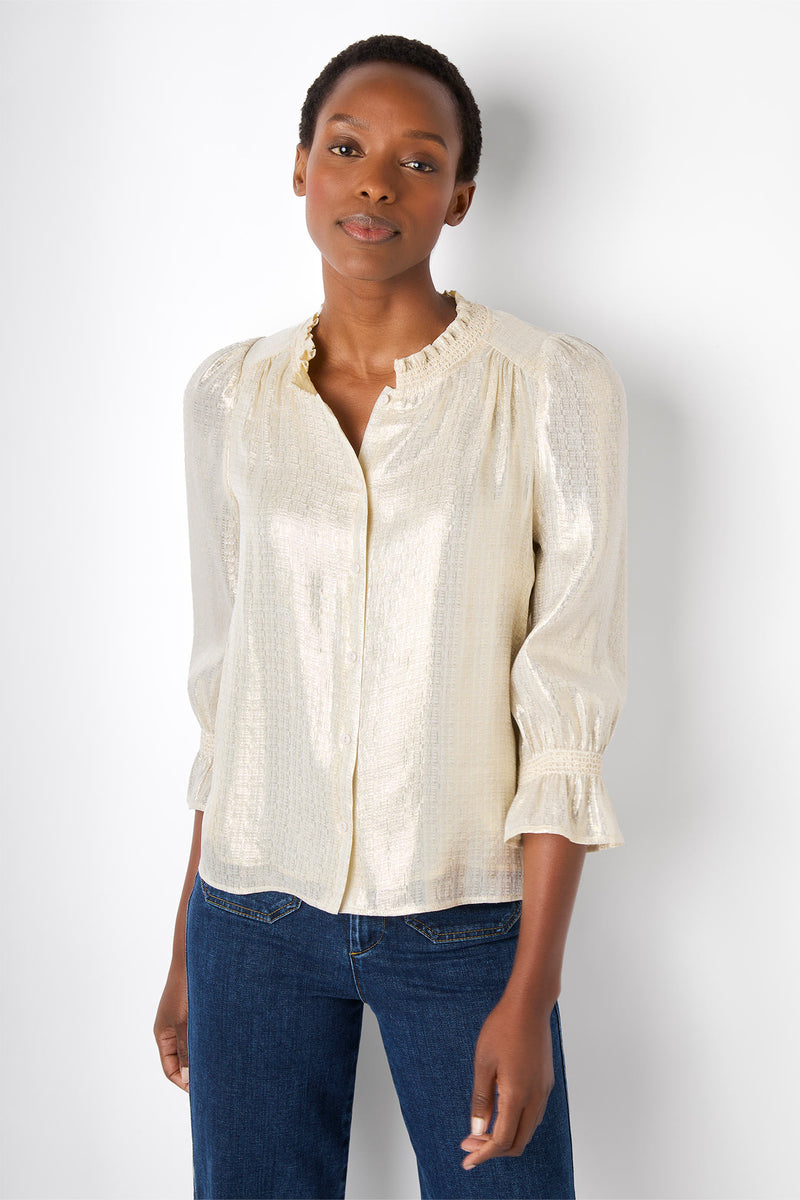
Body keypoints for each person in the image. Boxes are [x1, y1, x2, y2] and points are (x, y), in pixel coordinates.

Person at [153, 33, 628, 1200]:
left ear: (458, 195)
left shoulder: (547, 387)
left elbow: (563, 702)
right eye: (346, 149)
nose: (375, 184)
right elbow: (228, 690)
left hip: (460, 922)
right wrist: (185, 946)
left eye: (418, 162)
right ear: (300, 168)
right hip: (248, 921)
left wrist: (530, 992)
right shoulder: (229, 396)